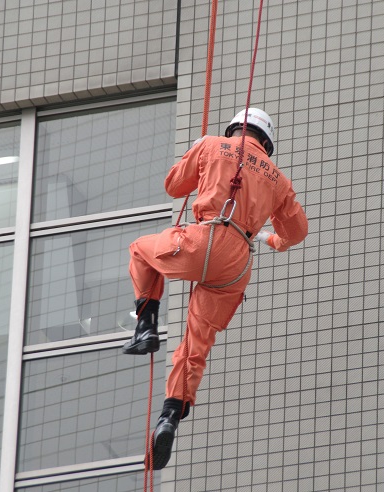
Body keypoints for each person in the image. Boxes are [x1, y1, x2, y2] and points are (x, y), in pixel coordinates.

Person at [122, 108, 308, 470]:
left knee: (141, 251)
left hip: (204, 238)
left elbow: (174, 186)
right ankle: (171, 414)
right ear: (267, 143)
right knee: (196, 344)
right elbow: (297, 232)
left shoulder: (212, 145)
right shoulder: (277, 179)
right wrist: (272, 240)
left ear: (235, 127)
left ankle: (145, 327)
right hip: (237, 261)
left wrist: (194, 153)